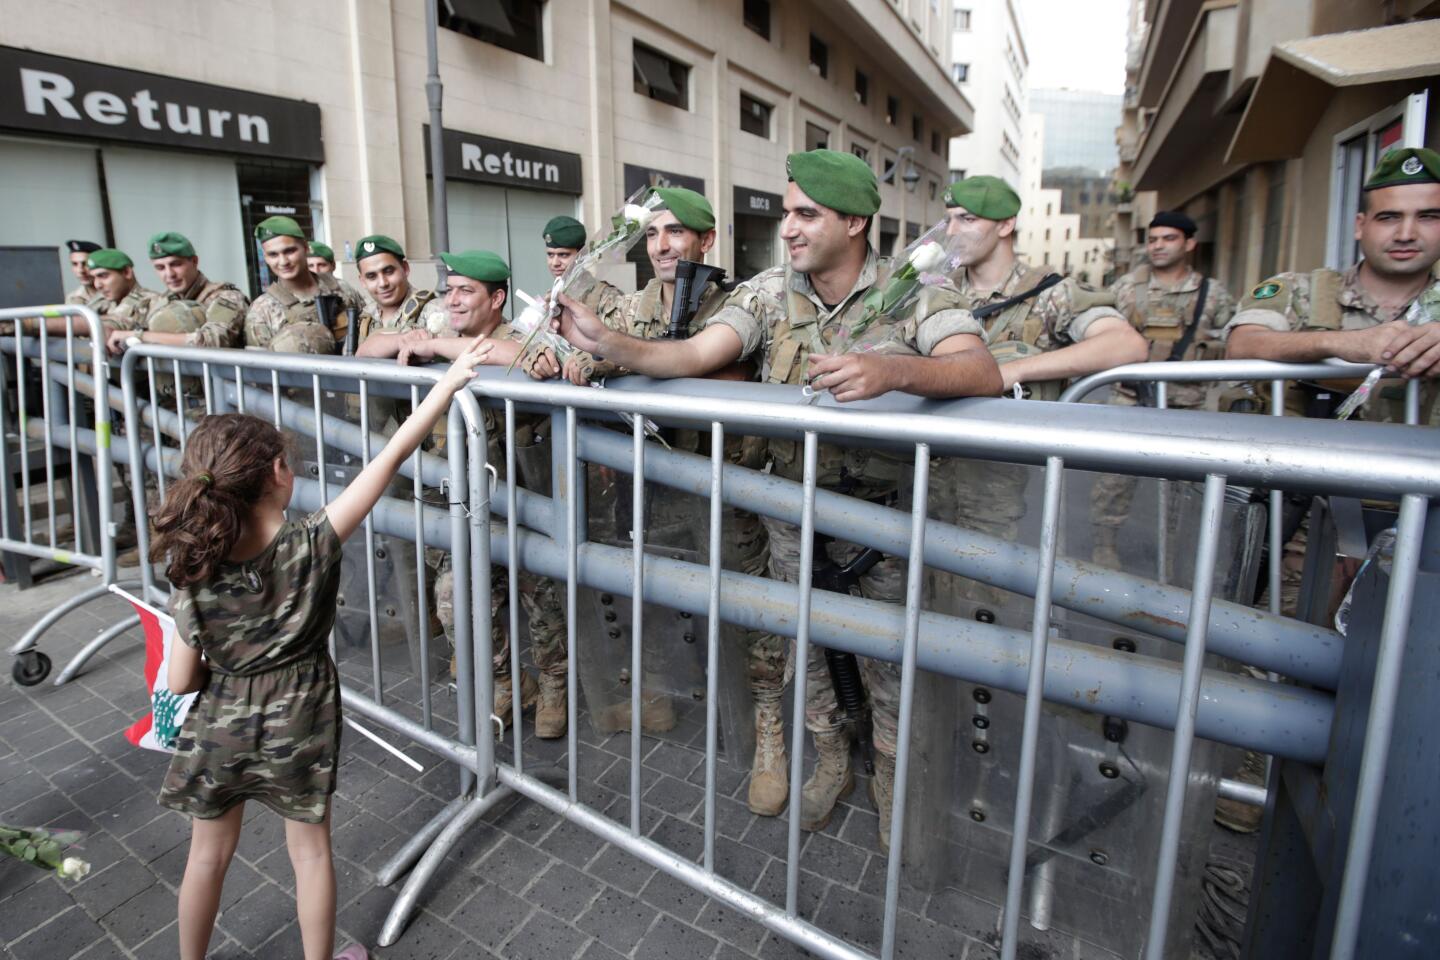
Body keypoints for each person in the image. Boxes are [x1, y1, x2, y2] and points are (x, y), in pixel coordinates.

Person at [552, 149, 1002, 848]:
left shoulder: (914, 290)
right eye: (786, 212)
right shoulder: (769, 292)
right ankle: (829, 759)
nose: (787, 228)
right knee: (809, 648)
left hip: (883, 522)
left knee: (890, 657)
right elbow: (696, 356)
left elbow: (980, 370)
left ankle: (890, 771)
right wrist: (609, 341)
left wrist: (892, 369)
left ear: (854, 221)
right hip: (791, 513)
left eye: (805, 214)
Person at [151, 338, 488, 960]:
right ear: (280, 472)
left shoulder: (192, 563)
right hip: (301, 712)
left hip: (221, 719)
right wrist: (449, 384)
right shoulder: (314, 541)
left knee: (207, 855)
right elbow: (390, 456)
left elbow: (177, 682)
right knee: (310, 852)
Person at [401, 250, 571, 738]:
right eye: (449, 289)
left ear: (497, 299)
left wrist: (437, 347)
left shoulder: (519, 339)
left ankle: (554, 681)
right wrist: (425, 340)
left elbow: (519, 356)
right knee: (453, 600)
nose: (452, 299)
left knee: (542, 601)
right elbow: (369, 351)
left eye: (465, 290)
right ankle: (509, 681)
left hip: (527, 504)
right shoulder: (440, 333)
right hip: (470, 505)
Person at [1090, 211, 1235, 568]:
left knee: (1183, 491)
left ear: (1189, 244)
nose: (1157, 246)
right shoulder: (1126, 289)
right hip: (1130, 399)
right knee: (1113, 482)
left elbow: (1233, 340)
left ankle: (1174, 558)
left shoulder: (1211, 294)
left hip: (1187, 406)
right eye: (1153, 239)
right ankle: (1103, 547)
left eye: (1168, 238)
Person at [104, 232, 251, 355]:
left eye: (176, 264)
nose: (169, 274)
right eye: (160, 268)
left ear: (194, 261)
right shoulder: (160, 301)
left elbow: (211, 341)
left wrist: (139, 337)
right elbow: (124, 321)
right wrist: (102, 328)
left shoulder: (226, 297)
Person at [245, 218, 364, 353]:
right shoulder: (262, 310)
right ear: (265, 258)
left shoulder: (341, 288)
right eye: (273, 255)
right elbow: (259, 368)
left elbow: (368, 327)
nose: (283, 262)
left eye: (289, 251)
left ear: (306, 248)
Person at [350, 235, 447, 355]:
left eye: (389, 271)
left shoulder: (434, 310)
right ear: (363, 281)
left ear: (405, 268)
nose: (382, 283)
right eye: (372, 276)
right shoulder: (364, 318)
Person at [63, 239, 102, 307]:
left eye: (86, 264)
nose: (81, 271)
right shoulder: (72, 297)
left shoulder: (113, 294)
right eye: (75, 264)